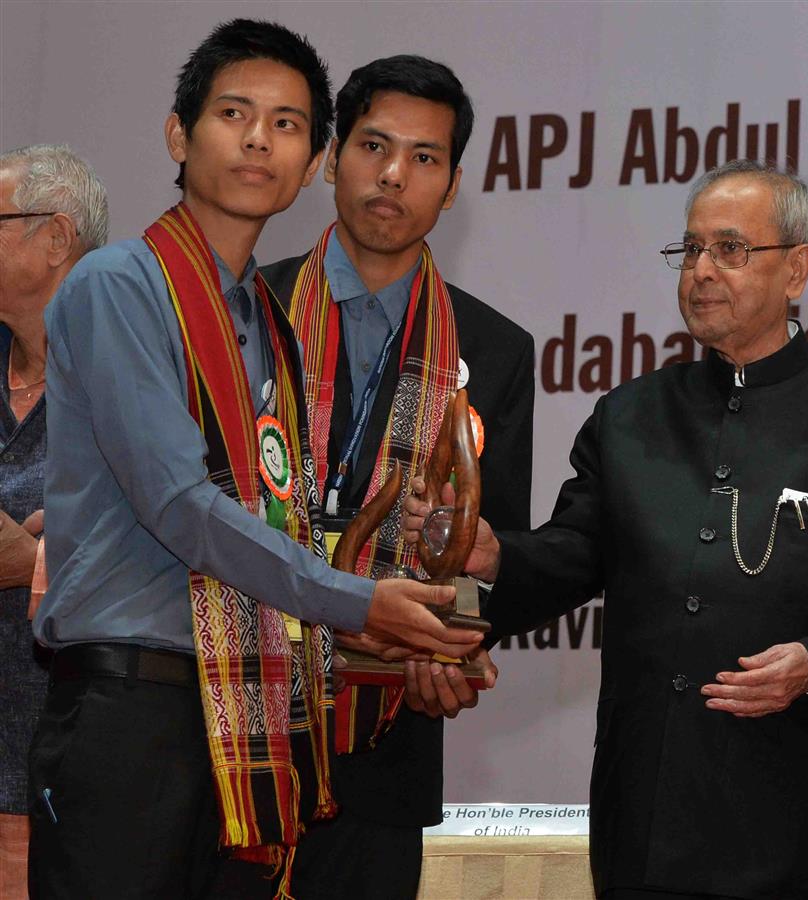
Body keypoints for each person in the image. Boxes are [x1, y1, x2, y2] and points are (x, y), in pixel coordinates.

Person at [405, 159, 808, 898]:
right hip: (646, 814)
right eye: (691, 250)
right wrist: (495, 554)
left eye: (730, 250)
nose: (701, 270)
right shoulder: (630, 416)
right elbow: (574, 555)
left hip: (793, 817)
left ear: (797, 270)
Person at [28, 20, 483, 898]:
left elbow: (280, 517)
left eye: (286, 125)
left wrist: (425, 629)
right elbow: (179, 505)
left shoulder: (264, 323)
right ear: (177, 133)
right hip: (133, 709)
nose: (257, 140)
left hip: (242, 715)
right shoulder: (118, 284)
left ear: (311, 162)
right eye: (234, 112)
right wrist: (358, 601)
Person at [260, 55, 535, 899]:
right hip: (236, 736)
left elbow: (494, 555)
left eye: (425, 158)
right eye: (374, 145)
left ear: (452, 187)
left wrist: (454, 644)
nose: (393, 175)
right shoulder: (248, 310)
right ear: (333, 156)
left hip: (387, 751)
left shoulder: (494, 348)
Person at [0, 144, 106, 899]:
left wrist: (36, 559)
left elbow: (174, 526)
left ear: (56, 239)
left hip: (63, 768)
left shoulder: (119, 370)